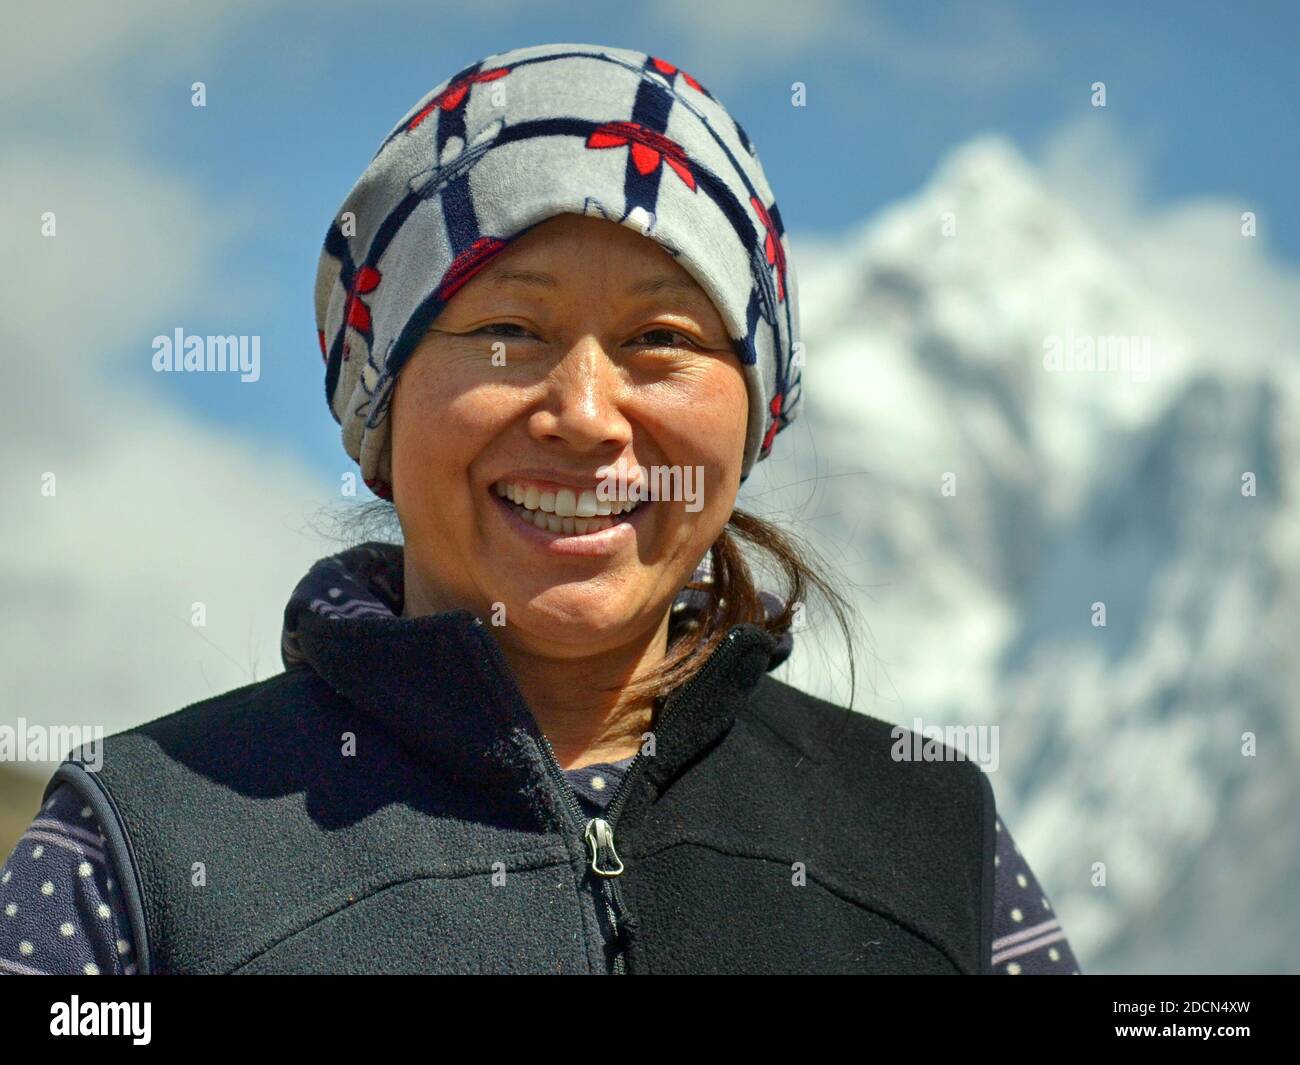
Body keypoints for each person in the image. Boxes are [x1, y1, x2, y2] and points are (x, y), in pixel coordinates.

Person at [1, 41, 1078, 975]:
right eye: (506, 332)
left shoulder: (929, 838)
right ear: (380, 407)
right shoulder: (143, 847)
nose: (584, 414)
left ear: (751, 418)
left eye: (662, 340)